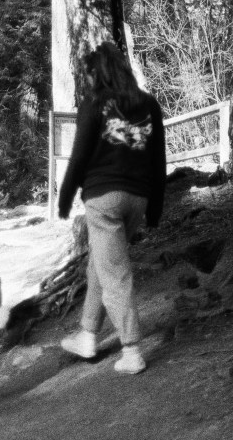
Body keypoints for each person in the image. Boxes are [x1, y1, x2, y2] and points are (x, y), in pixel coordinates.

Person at [56, 42, 166, 374]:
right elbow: (158, 161)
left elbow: (79, 156)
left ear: (98, 73)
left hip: (103, 200)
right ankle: (88, 335)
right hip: (137, 199)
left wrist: (65, 199)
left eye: (89, 74)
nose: (87, 81)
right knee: (101, 263)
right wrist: (155, 208)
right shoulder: (149, 104)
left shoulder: (95, 104)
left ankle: (131, 350)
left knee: (115, 273)